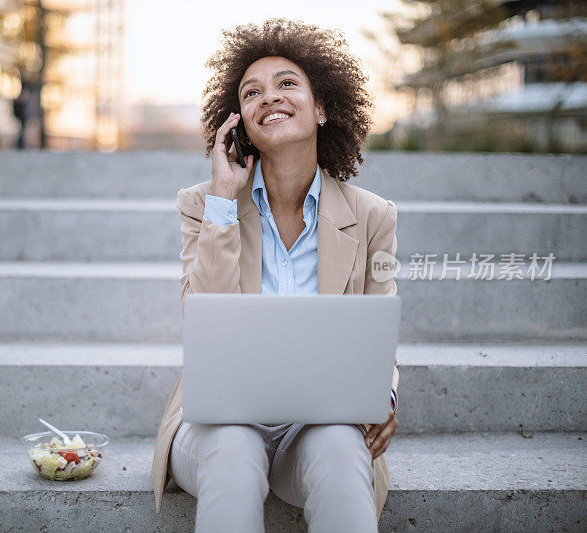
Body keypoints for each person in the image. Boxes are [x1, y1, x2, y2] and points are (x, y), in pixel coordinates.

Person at [150, 18, 400, 532]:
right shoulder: (202, 205)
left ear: (323, 106)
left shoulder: (374, 216)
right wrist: (224, 196)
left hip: (316, 422)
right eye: (251, 92)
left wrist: (383, 397)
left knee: (336, 443)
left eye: (287, 83)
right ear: (238, 120)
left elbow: (380, 332)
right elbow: (204, 313)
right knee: (234, 447)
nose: (270, 98)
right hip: (218, 425)